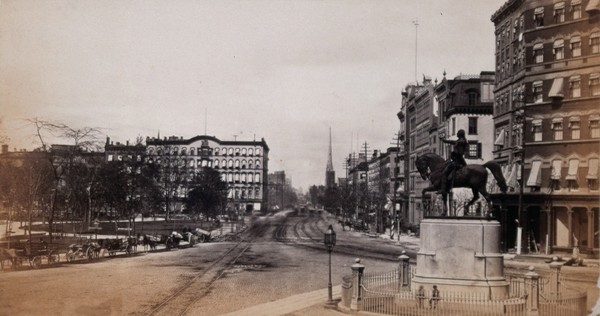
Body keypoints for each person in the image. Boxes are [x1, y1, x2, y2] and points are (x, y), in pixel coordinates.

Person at [439, 129, 468, 195]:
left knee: (445, 172)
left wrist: (453, 155)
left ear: (460, 134)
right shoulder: (461, 141)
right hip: (457, 159)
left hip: (457, 160)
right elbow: (451, 142)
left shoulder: (460, 141)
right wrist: (443, 140)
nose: (456, 133)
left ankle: (443, 189)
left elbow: (458, 150)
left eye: (458, 132)